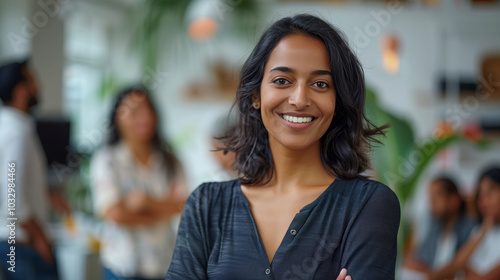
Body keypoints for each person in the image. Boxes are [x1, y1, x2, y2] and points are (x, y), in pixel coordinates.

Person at [166, 14, 400, 280]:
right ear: (256, 95)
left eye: (320, 84)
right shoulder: (206, 206)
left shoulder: (368, 206)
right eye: (282, 81)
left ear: (338, 102)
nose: (300, 99)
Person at [90, 85, 188, 280]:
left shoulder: (170, 160)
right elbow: (115, 213)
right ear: (117, 118)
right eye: (134, 112)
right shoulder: (107, 160)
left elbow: (184, 204)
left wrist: (144, 202)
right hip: (123, 266)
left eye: (148, 109)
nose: (144, 117)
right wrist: (160, 213)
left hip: (164, 263)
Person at [0, 59, 70, 280]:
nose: (38, 85)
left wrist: (46, 195)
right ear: (20, 90)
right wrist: (40, 239)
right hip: (22, 243)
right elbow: (13, 197)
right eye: (32, 80)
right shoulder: (16, 133)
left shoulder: (11, 126)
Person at [428, 167, 500, 280]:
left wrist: (466, 271)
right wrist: (484, 230)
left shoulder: (468, 226)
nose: (483, 202)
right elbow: (454, 266)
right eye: (480, 196)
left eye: (490, 192)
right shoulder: (482, 229)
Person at [404, 177, 477, 274]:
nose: (432, 202)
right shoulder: (436, 226)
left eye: (437, 196)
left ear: (454, 200)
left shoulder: (470, 229)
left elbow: (459, 269)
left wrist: (427, 272)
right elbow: (420, 257)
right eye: (431, 197)